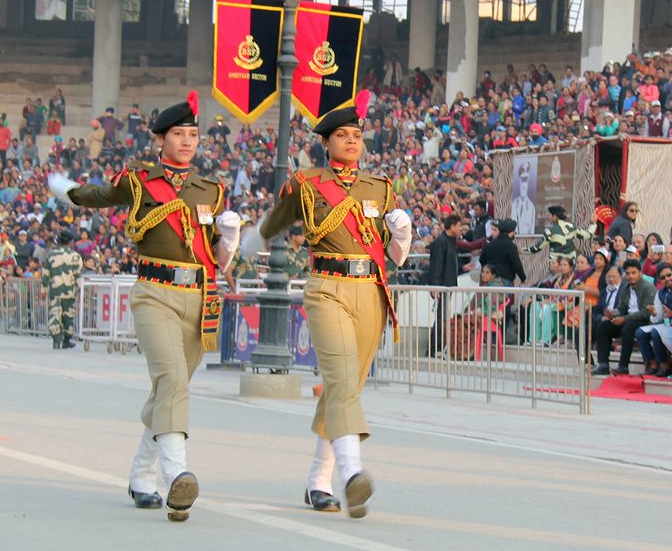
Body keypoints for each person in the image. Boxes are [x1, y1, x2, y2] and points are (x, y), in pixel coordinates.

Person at [48, 90, 241, 522]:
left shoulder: (211, 191)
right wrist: (69, 192)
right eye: (179, 134)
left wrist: (228, 241)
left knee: (168, 390)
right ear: (160, 138)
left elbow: (215, 256)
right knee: (172, 379)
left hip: (199, 296)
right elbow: (100, 196)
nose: (188, 141)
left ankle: (140, 475)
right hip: (154, 292)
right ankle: (177, 475)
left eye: (193, 134)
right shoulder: (138, 181)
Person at [248, 90, 412, 520]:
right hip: (327, 287)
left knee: (345, 389)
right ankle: (352, 473)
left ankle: (317, 482)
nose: (352, 141)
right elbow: (275, 222)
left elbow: (394, 251)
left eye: (357, 134)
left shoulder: (379, 187)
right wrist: (246, 243)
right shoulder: (307, 185)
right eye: (343, 135)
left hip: (371, 290)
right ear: (326, 142)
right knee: (339, 380)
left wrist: (402, 233)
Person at [591, 259, 655, 376]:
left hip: (643, 321)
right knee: (603, 326)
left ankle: (623, 366)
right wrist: (612, 314)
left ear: (640, 273)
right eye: (628, 273)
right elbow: (621, 308)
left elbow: (646, 312)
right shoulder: (626, 288)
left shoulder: (648, 287)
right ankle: (603, 364)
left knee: (628, 327)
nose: (630, 276)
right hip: (627, 320)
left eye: (633, 273)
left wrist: (624, 319)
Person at [427, 214, 462, 356]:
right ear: (452, 226)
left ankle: (439, 347)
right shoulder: (441, 242)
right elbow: (436, 266)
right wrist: (435, 286)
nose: (460, 229)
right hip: (441, 287)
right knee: (441, 318)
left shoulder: (451, 241)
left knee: (443, 318)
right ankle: (435, 348)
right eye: (459, 226)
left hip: (449, 285)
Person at [45, 229, 84, 350]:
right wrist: (81, 290)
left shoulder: (51, 255)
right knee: (68, 315)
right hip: (69, 291)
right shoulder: (75, 256)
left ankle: (56, 340)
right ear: (70, 242)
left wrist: (42, 289)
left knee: (55, 315)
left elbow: (45, 274)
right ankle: (67, 339)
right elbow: (79, 276)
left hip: (55, 291)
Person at [524, 205, 592, 262]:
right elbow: (588, 235)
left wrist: (523, 250)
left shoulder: (550, 231)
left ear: (555, 216)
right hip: (571, 264)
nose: (550, 218)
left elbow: (537, 248)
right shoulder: (572, 227)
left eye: (551, 216)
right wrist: (593, 224)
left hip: (557, 265)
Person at [480, 219, 526, 286]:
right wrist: (523, 278)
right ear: (511, 233)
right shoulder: (511, 246)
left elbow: (482, 260)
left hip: (490, 281)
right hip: (505, 281)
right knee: (505, 297)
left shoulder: (490, 244)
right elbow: (517, 265)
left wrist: (488, 272)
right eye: (514, 233)